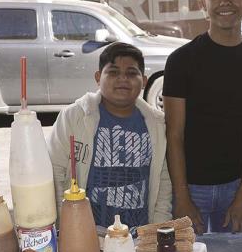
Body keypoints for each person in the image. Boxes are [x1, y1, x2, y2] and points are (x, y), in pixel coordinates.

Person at [163, 0, 242, 234]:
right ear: (204, 2)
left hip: (236, 188)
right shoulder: (181, 61)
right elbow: (173, 135)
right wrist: (182, 197)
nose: (225, 2)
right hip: (189, 188)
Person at [48, 42, 172, 228]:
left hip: (138, 233)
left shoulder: (157, 124)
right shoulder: (74, 117)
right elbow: (55, 173)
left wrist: (157, 229)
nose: (123, 79)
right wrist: (63, 227)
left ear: (144, 80)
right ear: (98, 77)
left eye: (131, 73)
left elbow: (163, 182)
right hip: (87, 231)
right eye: (113, 72)